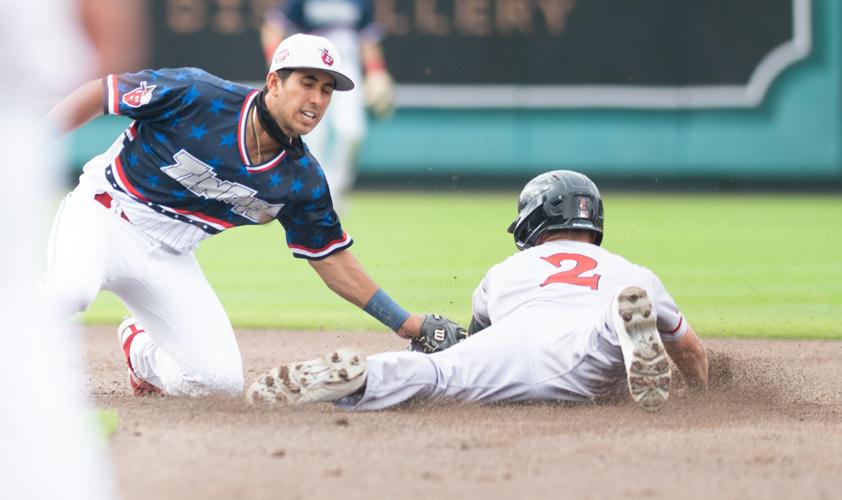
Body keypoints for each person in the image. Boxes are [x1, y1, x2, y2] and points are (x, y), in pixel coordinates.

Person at [44, 33, 446, 398]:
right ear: (274, 82)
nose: (318, 100)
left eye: (326, 90)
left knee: (217, 384)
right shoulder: (198, 96)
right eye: (306, 83)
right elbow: (102, 93)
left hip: (169, 256)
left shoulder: (302, 178)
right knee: (71, 290)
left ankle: (141, 351)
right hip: (104, 213)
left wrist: (406, 323)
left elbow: (330, 257)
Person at [247, 170, 709, 412]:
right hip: (583, 342)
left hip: (508, 345)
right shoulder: (632, 273)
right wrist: (700, 397)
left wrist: (455, 345)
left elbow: (477, 336)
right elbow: (690, 350)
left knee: (438, 373)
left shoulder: (504, 271)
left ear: (533, 221)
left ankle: (363, 376)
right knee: (605, 333)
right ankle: (619, 328)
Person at [1, 1, 145, 499]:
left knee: (215, 376)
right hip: (16, 128)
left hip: (18, 127)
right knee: (40, 311)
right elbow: (107, 45)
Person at [261, 0, 394, 213]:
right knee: (313, 136)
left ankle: (333, 190)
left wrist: (376, 71)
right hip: (310, 67)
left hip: (347, 67)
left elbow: (368, 39)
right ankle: (312, 192)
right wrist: (278, 65)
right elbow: (273, 27)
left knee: (352, 132)